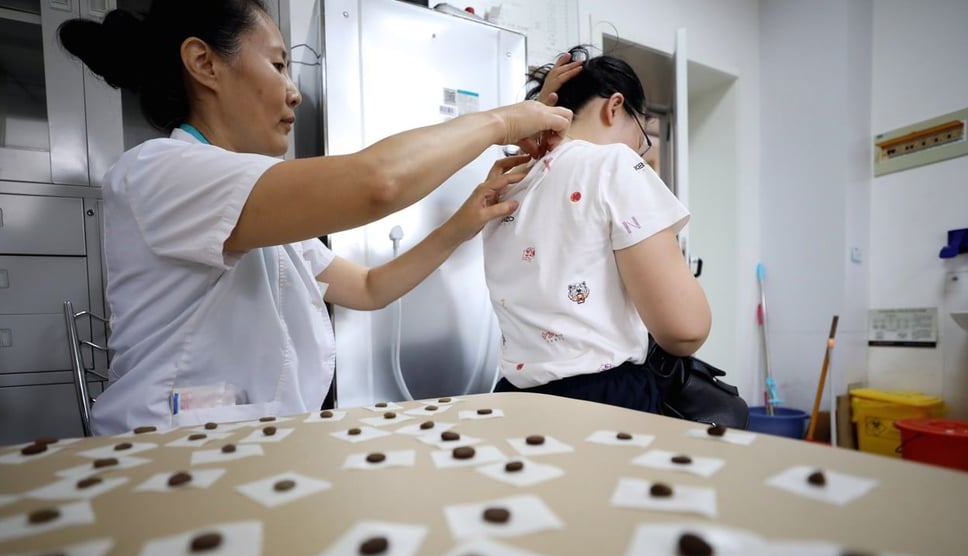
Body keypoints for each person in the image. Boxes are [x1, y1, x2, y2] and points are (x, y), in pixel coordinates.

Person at [56, 0, 570, 434]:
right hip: (165, 457)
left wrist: (463, 222)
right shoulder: (164, 172)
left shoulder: (252, 201)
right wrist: (501, 120)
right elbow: (378, 182)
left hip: (233, 451)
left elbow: (369, 288)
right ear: (205, 63)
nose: (294, 90)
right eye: (278, 65)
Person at [483, 46, 711, 412]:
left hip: (513, 399)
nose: (639, 150)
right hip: (600, 400)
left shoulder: (510, 183)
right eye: (642, 137)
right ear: (615, 106)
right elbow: (686, 329)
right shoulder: (613, 164)